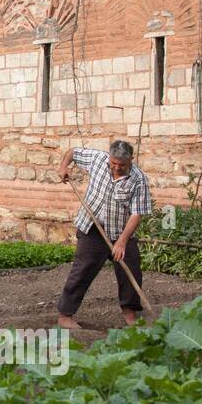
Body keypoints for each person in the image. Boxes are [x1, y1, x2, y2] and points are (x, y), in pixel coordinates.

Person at [56, 140, 153, 330]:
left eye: (122, 165)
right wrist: (63, 167)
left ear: (131, 161)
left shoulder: (138, 179)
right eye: (114, 163)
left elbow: (136, 213)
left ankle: (130, 312)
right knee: (83, 270)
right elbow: (73, 152)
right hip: (93, 228)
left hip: (121, 232)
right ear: (109, 157)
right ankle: (65, 315)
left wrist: (122, 242)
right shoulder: (98, 159)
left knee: (131, 270)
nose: (116, 168)